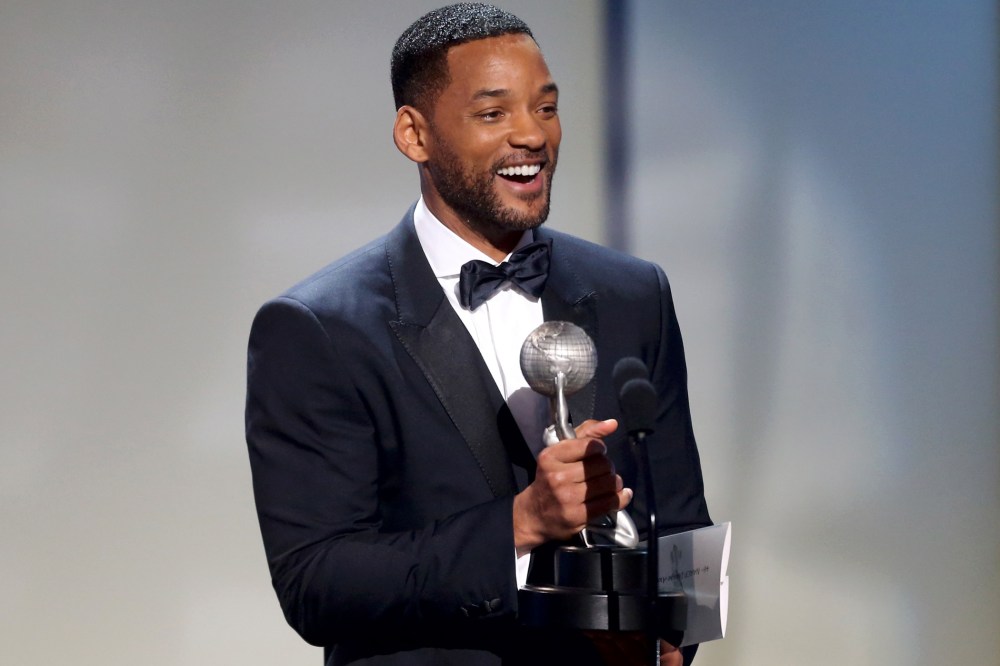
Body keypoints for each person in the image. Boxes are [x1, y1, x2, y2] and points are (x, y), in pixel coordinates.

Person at [245, 4, 711, 665]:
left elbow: (681, 519)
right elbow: (317, 581)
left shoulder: (633, 293)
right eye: (494, 114)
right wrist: (520, 527)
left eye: (546, 108)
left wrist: (675, 635)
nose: (533, 136)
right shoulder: (318, 328)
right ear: (415, 134)